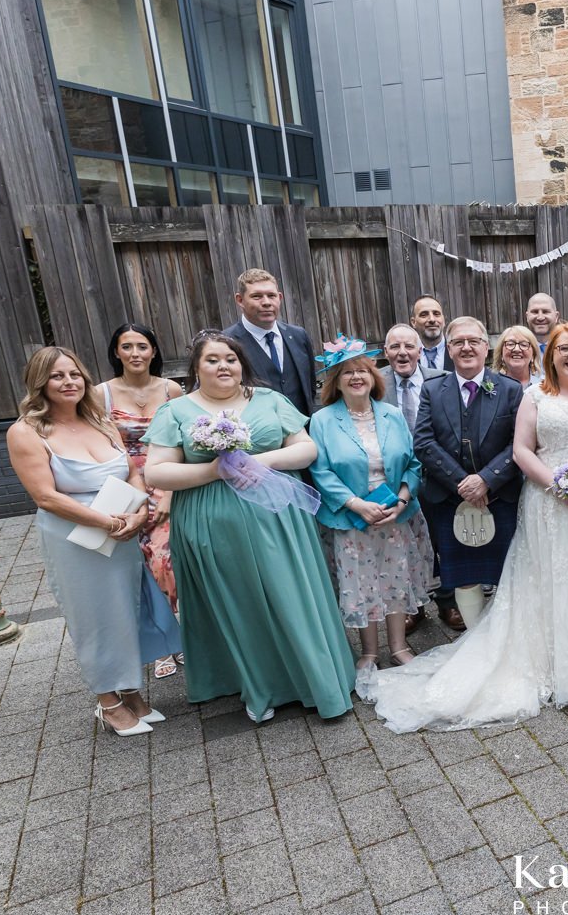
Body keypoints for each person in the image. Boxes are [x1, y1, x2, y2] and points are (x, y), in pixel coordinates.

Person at [360, 322, 568, 732]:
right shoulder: (534, 396)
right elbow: (522, 450)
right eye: (564, 349)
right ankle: (557, 662)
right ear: (552, 354)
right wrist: (558, 486)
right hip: (551, 502)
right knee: (555, 580)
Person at [143, 332, 354, 723]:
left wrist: (261, 462)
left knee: (289, 595)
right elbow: (156, 471)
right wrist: (213, 469)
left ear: (242, 365)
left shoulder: (270, 400)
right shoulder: (176, 412)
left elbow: (305, 448)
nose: (223, 366)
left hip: (277, 518)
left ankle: (313, 677)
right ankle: (259, 685)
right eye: (212, 360)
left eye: (231, 359)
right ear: (196, 368)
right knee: (238, 602)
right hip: (211, 522)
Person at [7, 347, 181, 736]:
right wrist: (105, 521)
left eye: (74, 375)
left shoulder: (100, 421)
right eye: (57, 377)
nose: (68, 383)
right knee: (94, 616)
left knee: (128, 609)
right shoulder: (26, 432)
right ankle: (107, 700)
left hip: (121, 528)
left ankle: (132, 691)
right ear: (40, 384)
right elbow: (46, 497)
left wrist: (138, 514)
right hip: (76, 538)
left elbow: (133, 473)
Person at [309, 336, 434, 686]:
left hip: (396, 515)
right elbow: (321, 471)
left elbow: (412, 463)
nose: (355, 377)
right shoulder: (322, 420)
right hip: (351, 517)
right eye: (346, 372)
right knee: (361, 584)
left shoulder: (392, 415)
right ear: (336, 380)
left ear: (373, 375)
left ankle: (397, 645)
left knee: (395, 579)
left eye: (362, 370)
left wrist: (403, 500)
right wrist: (356, 504)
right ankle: (368, 651)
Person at [411, 317, 524, 629]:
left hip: (500, 496)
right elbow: (423, 442)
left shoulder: (511, 390)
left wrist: (486, 479)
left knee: (507, 574)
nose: (466, 347)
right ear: (449, 349)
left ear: (486, 348)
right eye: (458, 342)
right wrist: (463, 483)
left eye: (473, 341)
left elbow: (521, 443)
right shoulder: (433, 390)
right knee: (463, 578)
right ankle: (475, 641)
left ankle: (507, 638)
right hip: (449, 497)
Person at [99, 322, 185, 678]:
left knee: (169, 563)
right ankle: (159, 643)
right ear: (116, 352)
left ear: (153, 351)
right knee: (139, 567)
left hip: (168, 481)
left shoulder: (172, 390)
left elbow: (184, 442)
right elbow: (100, 446)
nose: (135, 353)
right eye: (127, 347)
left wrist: (168, 493)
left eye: (142, 346)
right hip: (124, 488)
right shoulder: (99, 394)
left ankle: (179, 635)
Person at [382, 324, 457, 631]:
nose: (402, 353)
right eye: (395, 347)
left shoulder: (442, 380)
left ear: (419, 351)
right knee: (402, 543)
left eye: (409, 347)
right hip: (393, 478)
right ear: (386, 352)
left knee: (443, 538)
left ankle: (448, 601)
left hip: (436, 474)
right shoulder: (375, 383)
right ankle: (411, 605)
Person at [222, 268, 317, 416]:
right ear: (240, 300)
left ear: (279, 297)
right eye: (257, 296)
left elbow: (310, 388)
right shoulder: (225, 343)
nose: (266, 302)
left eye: (271, 295)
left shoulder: (299, 336)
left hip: (304, 433)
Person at [493, 324, 544, 392]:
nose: (517, 349)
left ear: (533, 354)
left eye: (524, 345)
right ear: (501, 353)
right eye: (510, 344)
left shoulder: (545, 387)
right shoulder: (491, 386)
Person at [411, 295, 453, 372]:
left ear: (444, 320)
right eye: (424, 315)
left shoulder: (457, 351)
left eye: (436, 314)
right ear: (413, 322)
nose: (432, 319)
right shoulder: (408, 355)